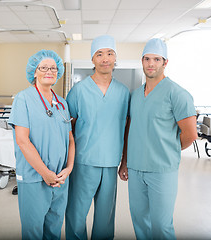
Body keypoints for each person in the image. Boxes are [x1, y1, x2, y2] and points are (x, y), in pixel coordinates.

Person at [118, 38, 197, 239]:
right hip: (135, 169)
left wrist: (166, 150)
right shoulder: (135, 95)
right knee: (139, 221)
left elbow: (190, 135)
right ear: (142, 61)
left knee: (161, 226)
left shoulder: (177, 94)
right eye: (147, 59)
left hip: (161, 170)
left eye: (156, 59)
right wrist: (125, 161)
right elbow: (130, 129)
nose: (151, 63)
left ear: (165, 63)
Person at [65, 35, 130, 239]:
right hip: (83, 161)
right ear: (92, 59)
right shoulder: (78, 91)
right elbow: (68, 128)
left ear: (115, 58)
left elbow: (127, 127)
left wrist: (125, 161)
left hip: (111, 162)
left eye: (110, 54)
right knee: (76, 213)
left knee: (105, 218)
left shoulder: (123, 92)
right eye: (99, 54)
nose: (105, 58)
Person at [8, 49, 75, 240]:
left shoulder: (62, 103)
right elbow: (22, 140)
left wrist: (69, 168)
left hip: (61, 177)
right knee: (33, 232)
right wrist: (46, 173)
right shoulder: (24, 99)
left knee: (54, 229)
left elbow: (70, 140)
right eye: (44, 67)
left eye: (53, 68)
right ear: (34, 72)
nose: (49, 71)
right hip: (34, 177)